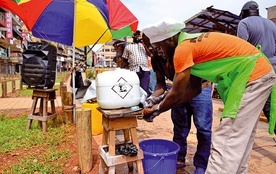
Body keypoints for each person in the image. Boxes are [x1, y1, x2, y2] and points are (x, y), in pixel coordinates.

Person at [142, 17, 276, 174]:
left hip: (251, 75)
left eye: (160, 47)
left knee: (228, 137)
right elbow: (194, 90)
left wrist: (157, 109)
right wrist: (164, 103)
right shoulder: (191, 43)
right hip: (258, 72)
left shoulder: (182, 50)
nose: (159, 52)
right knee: (239, 137)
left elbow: (177, 92)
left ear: (171, 39)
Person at [142, 33, 213, 174]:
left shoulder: (178, 51)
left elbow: (194, 87)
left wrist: (159, 108)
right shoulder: (156, 59)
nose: (152, 49)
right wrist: (150, 101)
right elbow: (160, 85)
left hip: (200, 88)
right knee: (180, 127)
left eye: (154, 45)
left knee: (203, 127)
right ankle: (179, 158)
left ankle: (201, 165)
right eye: (148, 46)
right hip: (177, 90)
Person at [237, 0, 276, 134]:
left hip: (257, 71)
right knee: (272, 106)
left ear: (243, 13)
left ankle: (241, 137)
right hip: (274, 69)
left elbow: (241, 51)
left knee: (252, 105)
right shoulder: (272, 24)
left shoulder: (244, 23)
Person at [122, 30, 151, 96]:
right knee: (134, 90)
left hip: (145, 70)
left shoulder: (143, 46)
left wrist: (144, 44)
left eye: (139, 35)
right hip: (134, 71)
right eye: (136, 35)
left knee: (144, 90)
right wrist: (123, 70)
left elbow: (150, 54)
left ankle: (144, 104)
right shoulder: (128, 47)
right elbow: (124, 60)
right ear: (133, 36)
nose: (137, 36)